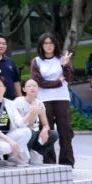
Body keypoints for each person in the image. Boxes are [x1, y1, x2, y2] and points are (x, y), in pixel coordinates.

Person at [31, 33, 75, 166]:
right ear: (41, 46)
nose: (48, 46)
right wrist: (58, 82)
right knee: (47, 129)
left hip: (62, 97)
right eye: (45, 43)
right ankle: (49, 161)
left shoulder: (62, 59)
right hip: (44, 99)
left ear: (55, 45)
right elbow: (39, 82)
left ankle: (67, 162)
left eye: (51, 43)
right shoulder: (36, 61)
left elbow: (69, 78)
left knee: (65, 130)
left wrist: (65, 66)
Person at [13, 79, 60, 165]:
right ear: (24, 89)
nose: (32, 88)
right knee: (31, 132)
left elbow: (46, 124)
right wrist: (32, 113)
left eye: (35, 86)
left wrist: (44, 130)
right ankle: (23, 154)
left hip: (34, 133)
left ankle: (36, 151)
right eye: (29, 86)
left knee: (53, 134)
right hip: (22, 133)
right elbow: (20, 124)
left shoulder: (40, 103)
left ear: (38, 89)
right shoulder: (18, 102)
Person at [0, 34, 22, 99]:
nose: (1, 46)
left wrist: (20, 97)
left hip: (11, 99)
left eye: (4, 44)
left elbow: (16, 81)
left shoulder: (10, 61)